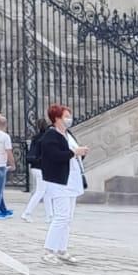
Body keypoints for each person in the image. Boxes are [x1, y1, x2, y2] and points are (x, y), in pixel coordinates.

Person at [39, 102, 87, 264]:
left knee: (68, 218)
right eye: (66, 116)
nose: (69, 119)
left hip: (71, 180)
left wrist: (80, 152)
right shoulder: (51, 136)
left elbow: (71, 152)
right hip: (59, 181)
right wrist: (74, 152)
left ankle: (61, 248)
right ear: (57, 118)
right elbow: (55, 155)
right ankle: (48, 250)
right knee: (61, 216)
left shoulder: (68, 134)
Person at [22, 114, 49, 222]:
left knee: (46, 192)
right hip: (41, 167)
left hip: (34, 166)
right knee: (40, 192)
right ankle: (27, 212)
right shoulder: (46, 138)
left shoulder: (35, 138)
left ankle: (50, 216)